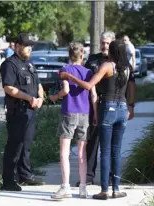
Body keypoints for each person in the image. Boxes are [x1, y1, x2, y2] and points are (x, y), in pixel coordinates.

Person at [60, 40, 135, 200]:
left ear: (113, 51)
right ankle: (116, 188)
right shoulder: (127, 68)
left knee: (105, 151)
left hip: (109, 107)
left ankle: (104, 190)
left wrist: (69, 76)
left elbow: (88, 85)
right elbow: (130, 87)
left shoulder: (107, 66)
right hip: (123, 108)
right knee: (116, 150)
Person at [49, 42, 98, 199]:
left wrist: (55, 97)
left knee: (64, 151)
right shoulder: (89, 72)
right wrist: (95, 114)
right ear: (82, 55)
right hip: (85, 113)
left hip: (69, 112)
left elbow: (66, 90)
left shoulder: (65, 70)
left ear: (69, 55)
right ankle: (83, 187)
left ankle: (65, 187)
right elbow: (93, 95)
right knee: (82, 152)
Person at [0, 33, 45, 191]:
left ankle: (25, 174)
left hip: (30, 110)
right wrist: (28, 98)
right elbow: (8, 88)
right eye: (27, 45)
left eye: (31, 45)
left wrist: (40, 97)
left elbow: (38, 84)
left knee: (26, 143)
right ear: (17, 46)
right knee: (15, 145)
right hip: (17, 110)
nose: (30, 48)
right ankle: (8, 180)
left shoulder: (30, 64)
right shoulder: (10, 64)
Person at [75, 31, 116, 187]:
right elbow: (84, 79)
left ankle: (112, 176)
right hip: (92, 106)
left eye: (107, 43)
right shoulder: (93, 59)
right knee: (91, 141)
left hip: (111, 104)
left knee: (111, 142)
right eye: (102, 42)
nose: (104, 46)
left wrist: (130, 105)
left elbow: (126, 83)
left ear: (112, 43)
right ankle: (88, 176)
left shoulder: (117, 60)